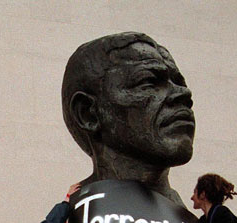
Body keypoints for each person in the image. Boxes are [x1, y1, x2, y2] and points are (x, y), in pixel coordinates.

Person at [62, 32, 195, 205]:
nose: (184, 93)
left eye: (179, 83)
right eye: (148, 82)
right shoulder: (83, 208)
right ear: (88, 113)